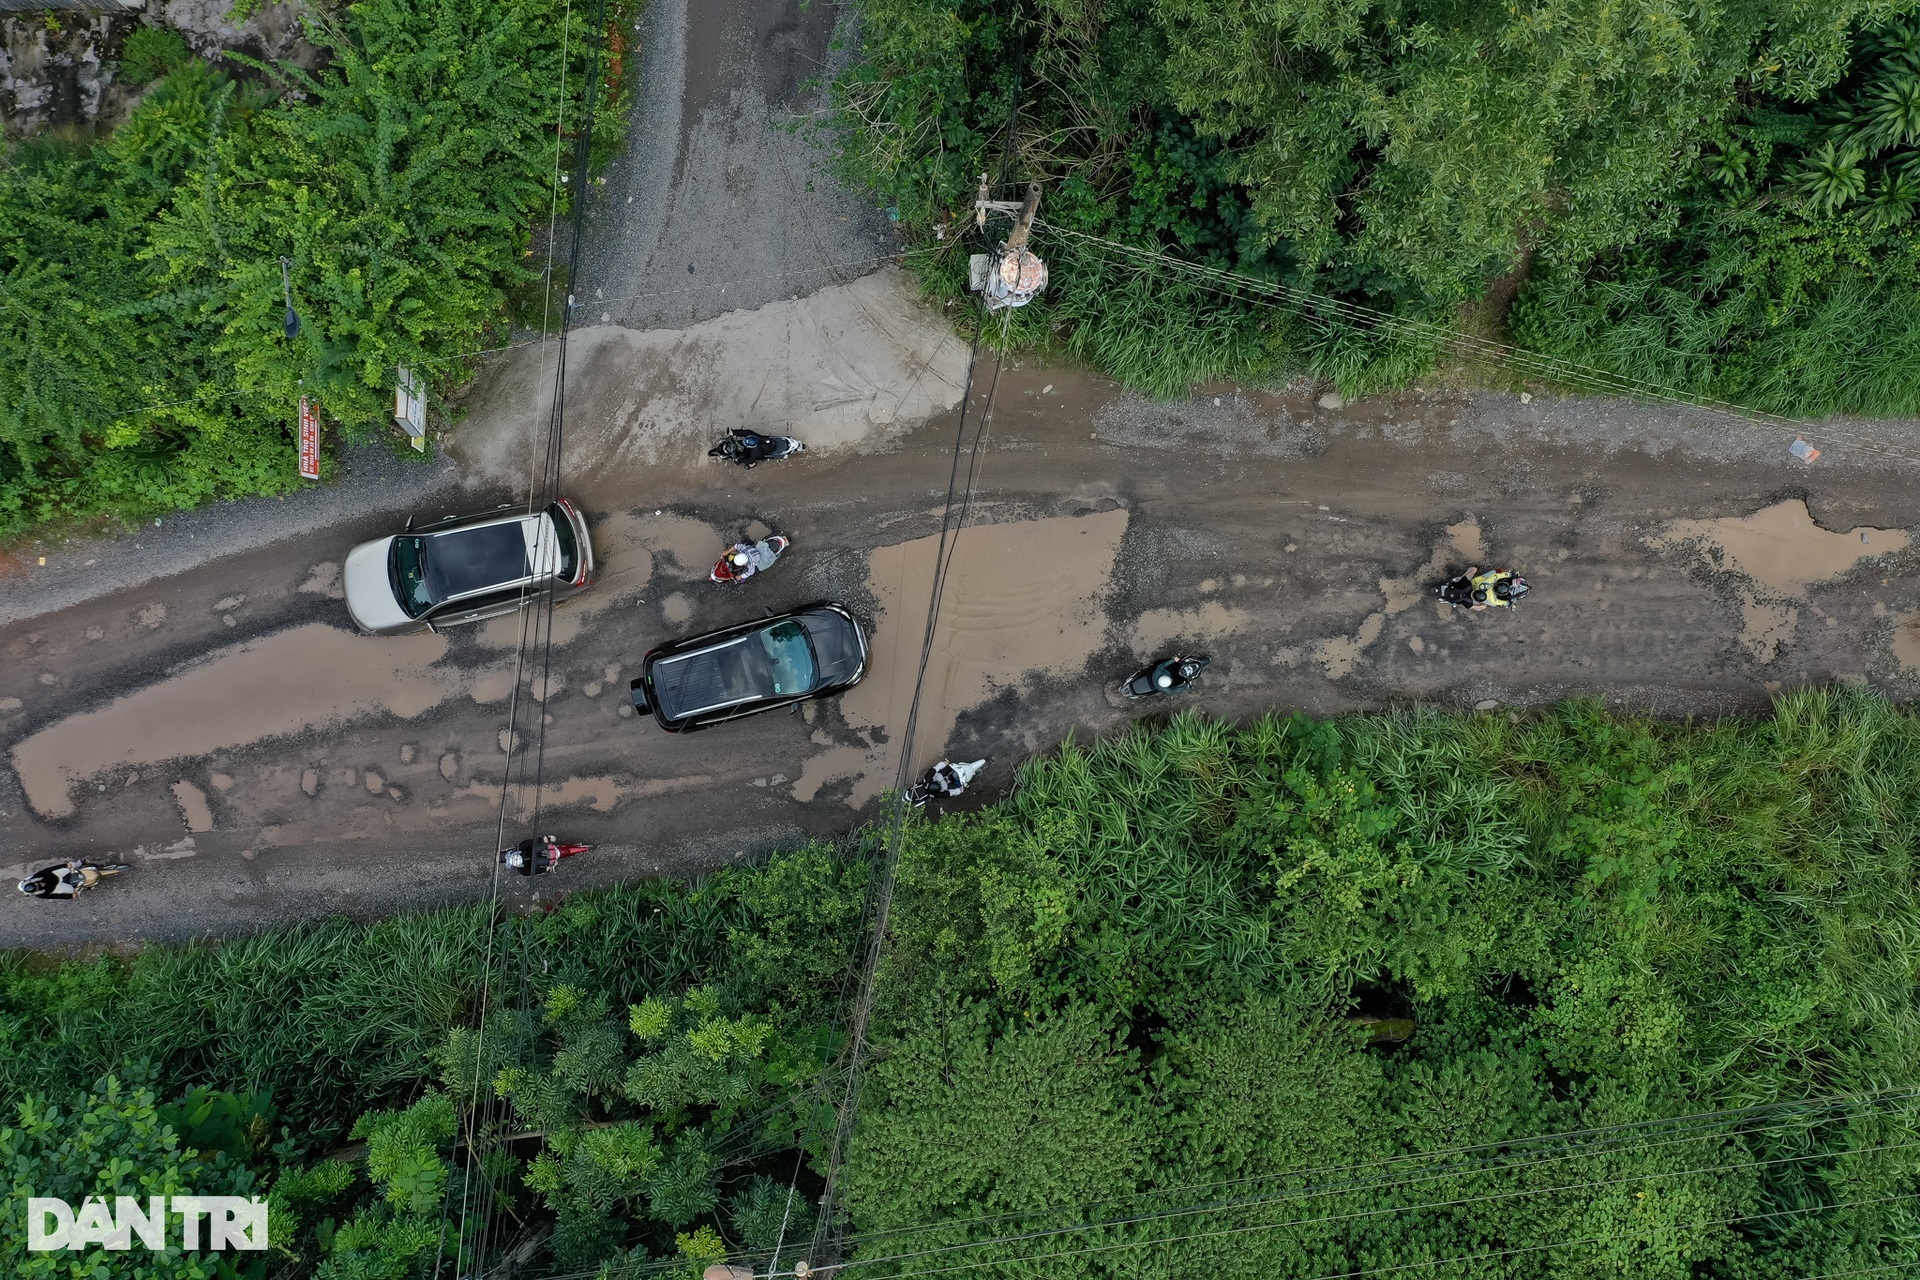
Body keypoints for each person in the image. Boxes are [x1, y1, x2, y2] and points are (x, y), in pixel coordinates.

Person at [497, 836, 587, 877]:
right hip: (540, 859)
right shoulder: (522, 870)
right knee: (550, 861)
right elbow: (534, 871)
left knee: (547, 843)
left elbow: (531, 842)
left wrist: (543, 839)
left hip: (536, 849)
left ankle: (549, 842)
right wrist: (545, 869)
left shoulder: (521, 847)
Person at [17, 862, 86, 899]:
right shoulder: (41, 895)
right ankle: (87, 886)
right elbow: (55, 896)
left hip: (56, 875)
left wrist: (65, 865)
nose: (40, 884)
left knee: (72, 865)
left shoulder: (37, 876)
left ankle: (82, 863)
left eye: (37, 883)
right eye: (39, 887)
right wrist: (70, 896)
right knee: (76, 890)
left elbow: (49, 869)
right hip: (57, 888)